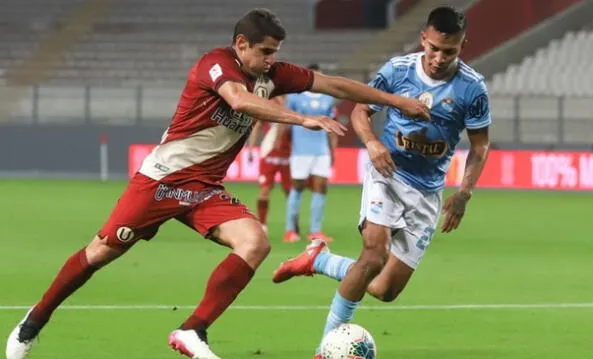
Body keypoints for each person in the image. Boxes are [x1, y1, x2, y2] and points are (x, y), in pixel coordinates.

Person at [5, 8, 430, 359]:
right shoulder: (216, 64)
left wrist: (394, 100)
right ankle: (32, 322)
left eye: (275, 53)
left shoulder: (273, 74)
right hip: (161, 181)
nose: (270, 60)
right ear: (241, 44)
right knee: (99, 253)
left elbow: (335, 84)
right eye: (264, 52)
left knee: (256, 243)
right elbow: (239, 101)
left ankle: (193, 331)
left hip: (203, 188)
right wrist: (300, 118)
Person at [271, 6, 492, 358]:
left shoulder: (472, 88)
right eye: (433, 47)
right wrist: (373, 143)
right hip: (387, 174)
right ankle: (324, 348)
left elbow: (480, 145)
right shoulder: (398, 70)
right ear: (423, 38)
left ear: (462, 46)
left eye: (448, 51)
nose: (438, 57)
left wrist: (464, 192)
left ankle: (321, 260)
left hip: (427, 191)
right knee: (374, 253)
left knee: (385, 288)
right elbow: (360, 110)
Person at [284, 64, 338, 243]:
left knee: (321, 187)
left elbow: (332, 126)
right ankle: (290, 230)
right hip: (300, 151)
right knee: (297, 188)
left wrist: (332, 150)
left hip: (321, 150)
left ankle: (315, 230)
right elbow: (285, 121)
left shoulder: (328, 99)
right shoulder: (295, 97)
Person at [246, 95, 292, 233]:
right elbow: (258, 125)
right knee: (264, 191)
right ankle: (263, 225)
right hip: (269, 153)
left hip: (289, 154)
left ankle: (292, 227)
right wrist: (251, 148)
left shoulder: (293, 102)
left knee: (291, 193)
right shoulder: (268, 103)